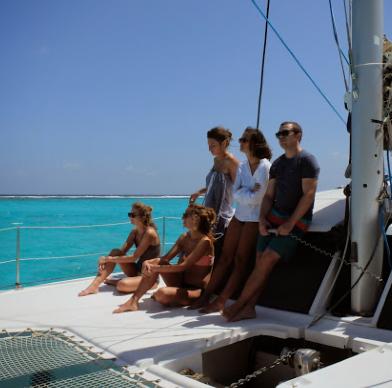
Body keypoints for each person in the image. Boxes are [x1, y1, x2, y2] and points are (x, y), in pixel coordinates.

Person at [222, 121, 320, 322]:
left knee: (266, 259)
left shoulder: (307, 161)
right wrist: (261, 220)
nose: (281, 137)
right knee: (260, 263)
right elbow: (268, 196)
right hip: (274, 216)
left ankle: (239, 305)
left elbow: (308, 195)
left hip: (297, 220)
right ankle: (250, 308)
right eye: (279, 134)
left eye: (285, 133)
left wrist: (290, 223)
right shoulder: (278, 164)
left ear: (298, 135)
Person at [190, 127, 272, 313]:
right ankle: (206, 296)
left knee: (240, 260)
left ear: (254, 143)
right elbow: (237, 192)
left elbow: (257, 197)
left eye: (244, 140)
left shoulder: (264, 166)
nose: (240, 142)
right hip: (239, 215)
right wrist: (247, 192)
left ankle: (221, 300)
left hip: (252, 218)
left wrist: (247, 193)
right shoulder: (243, 166)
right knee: (225, 258)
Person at [113, 204, 215, 313]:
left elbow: (182, 267)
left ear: (195, 219)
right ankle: (134, 300)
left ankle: (164, 294)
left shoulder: (205, 242)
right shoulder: (184, 237)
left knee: (162, 294)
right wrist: (148, 262)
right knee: (157, 262)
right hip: (179, 282)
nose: (182, 218)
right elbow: (165, 259)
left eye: (185, 215)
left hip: (196, 290)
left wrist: (155, 268)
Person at [78, 202, 160, 296]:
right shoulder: (134, 232)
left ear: (142, 217)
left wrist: (107, 259)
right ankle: (94, 286)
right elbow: (121, 253)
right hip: (137, 270)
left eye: (133, 215)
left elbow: (133, 257)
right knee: (115, 251)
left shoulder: (149, 233)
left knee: (122, 285)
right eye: (129, 214)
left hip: (150, 277)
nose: (130, 217)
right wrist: (106, 261)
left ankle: (118, 282)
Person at [190, 127, 239, 239]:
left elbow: (239, 188)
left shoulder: (231, 162)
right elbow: (214, 185)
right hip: (208, 213)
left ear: (224, 143)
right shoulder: (216, 160)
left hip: (221, 215)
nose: (209, 149)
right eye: (208, 145)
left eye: (213, 145)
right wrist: (199, 192)